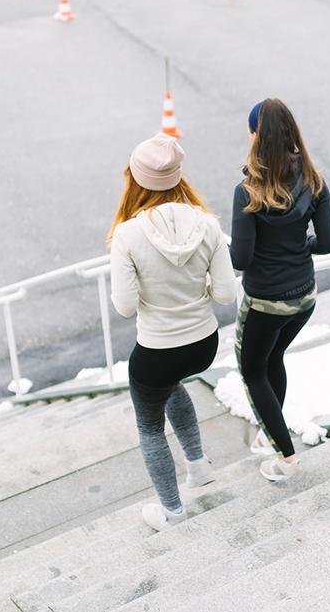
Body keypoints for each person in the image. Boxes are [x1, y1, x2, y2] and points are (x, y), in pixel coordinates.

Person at [109, 132, 237, 530]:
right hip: (203, 343)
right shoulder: (207, 224)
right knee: (173, 385)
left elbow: (125, 306)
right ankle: (198, 467)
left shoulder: (128, 235)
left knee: (149, 426)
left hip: (158, 349)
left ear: (134, 178)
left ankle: (172, 511)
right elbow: (226, 294)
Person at [230, 98, 330, 482]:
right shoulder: (314, 181)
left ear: (256, 137)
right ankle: (270, 432)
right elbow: (329, 242)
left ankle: (286, 458)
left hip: (265, 302)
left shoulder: (248, 192)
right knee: (273, 358)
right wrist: (299, 248)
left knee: (251, 370)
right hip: (304, 297)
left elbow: (240, 260)